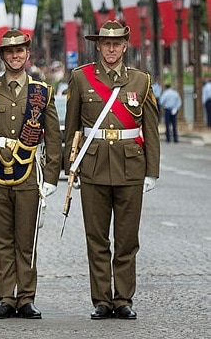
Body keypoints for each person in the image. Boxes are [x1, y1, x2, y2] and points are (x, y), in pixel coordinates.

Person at [63, 20, 160, 320]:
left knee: (127, 239)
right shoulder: (81, 78)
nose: (111, 48)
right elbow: (73, 126)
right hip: (92, 166)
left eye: (117, 43)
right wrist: (72, 168)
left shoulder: (141, 81)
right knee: (97, 238)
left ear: (125, 46)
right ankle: (102, 300)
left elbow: (151, 129)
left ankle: (124, 298)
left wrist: (152, 172)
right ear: (98, 45)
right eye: (106, 43)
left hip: (131, 166)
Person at [0, 30, 61, 319]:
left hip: (28, 173)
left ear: (28, 54)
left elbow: (53, 138)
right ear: (2, 56)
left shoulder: (41, 92)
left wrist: (52, 177)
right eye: (10, 52)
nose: (15, 56)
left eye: (20, 51)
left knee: (26, 238)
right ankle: (6, 296)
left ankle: (27, 297)